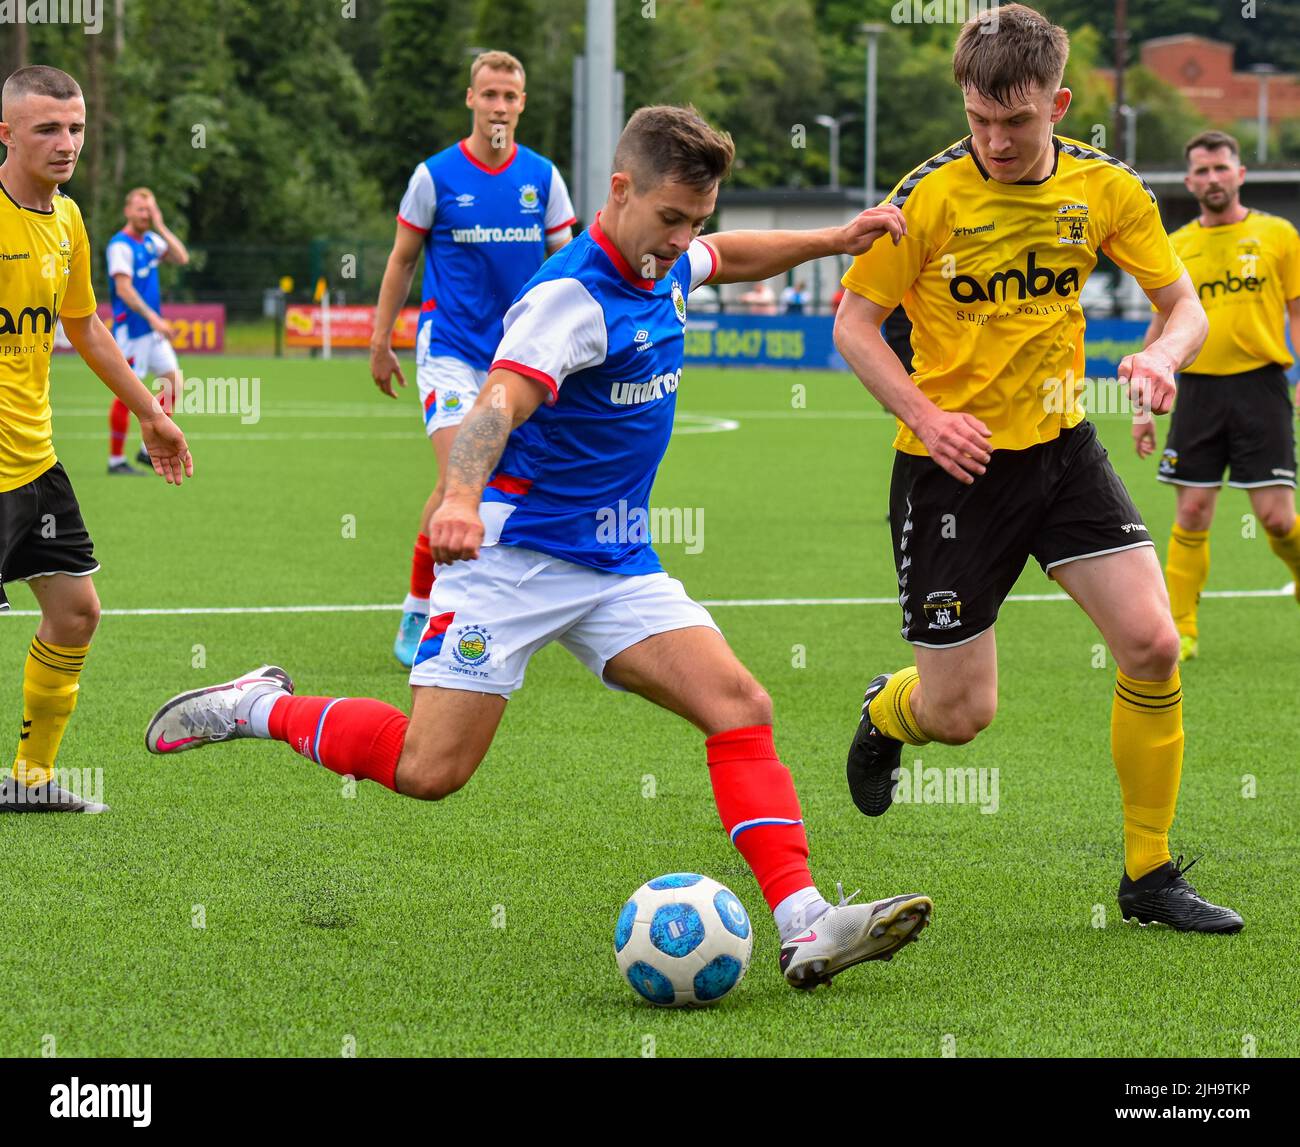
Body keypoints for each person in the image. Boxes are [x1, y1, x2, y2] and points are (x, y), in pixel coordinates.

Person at [147, 104, 932, 990]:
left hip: (618, 564)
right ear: (619, 191)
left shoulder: (663, 265)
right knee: (429, 768)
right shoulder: (572, 297)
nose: (682, 240)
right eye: (670, 218)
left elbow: (730, 256)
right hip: (513, 565)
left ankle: (804, 924)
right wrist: (458, 497)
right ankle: (255, 704)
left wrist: (837, 238)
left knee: (741, 705)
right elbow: (497, 402)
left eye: (694, 221)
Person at [833, 4, 1242, 933]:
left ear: (1058, 103)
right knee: (962, 713)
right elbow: (854, 328)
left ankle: (1148, 875)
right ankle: (889, 713)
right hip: (951, 475)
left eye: (1015, 122)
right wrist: (929, 418)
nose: (994, 140)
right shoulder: (927, 197)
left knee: (1152, 643)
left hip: (1062, 454)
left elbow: (1183, 306)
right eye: (978, 119)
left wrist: (1161, 358)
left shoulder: (1107, 189)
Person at [0, 66, 191, 814]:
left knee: (76, 612)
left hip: (32, 463)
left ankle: (30, 776)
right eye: (48, 127)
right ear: (7, 133)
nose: (66, 142)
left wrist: (150, 409)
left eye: (75, 127)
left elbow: (84, 326)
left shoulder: (69, 220)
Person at [369, 50, 576, 667]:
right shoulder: (435, 176)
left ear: (522, 104)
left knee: (518, 480)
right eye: (489, 95)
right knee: (460, 473)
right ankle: (419, 609)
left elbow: (566, 264)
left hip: (517, 358)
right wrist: (381, 341)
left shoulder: (543, 176)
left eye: (510, 97)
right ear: (471, 99)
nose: (500, 107)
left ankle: (503, 604)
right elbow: (403, 259)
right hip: (451, 351)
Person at [1134, 129, 1300, 661]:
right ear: (1189, 181)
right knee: (1194, 510)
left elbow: (1297, 311)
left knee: (1276, 517)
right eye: (1201, 171)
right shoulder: (1177, 245)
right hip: (1199, 391)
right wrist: (1141, 406)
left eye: (1220, 168)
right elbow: (1161, 324)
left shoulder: (1279, 235)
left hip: (1262, 386)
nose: (1212, 178)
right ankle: (1183, 630)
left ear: (1239, 173)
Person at [105, 186, 190, 475]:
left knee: (173, 381)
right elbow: (123, 289)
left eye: (150, 210)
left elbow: (181, 257)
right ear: (128, 210)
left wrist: (161, 225)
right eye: (141, 209)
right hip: (133, 332)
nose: (145, 215)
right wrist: (154, 318)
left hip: (152, 333)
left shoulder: (152, 241)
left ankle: (146, 450)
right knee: (127, 393)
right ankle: (116, 460)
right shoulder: (120, 245)